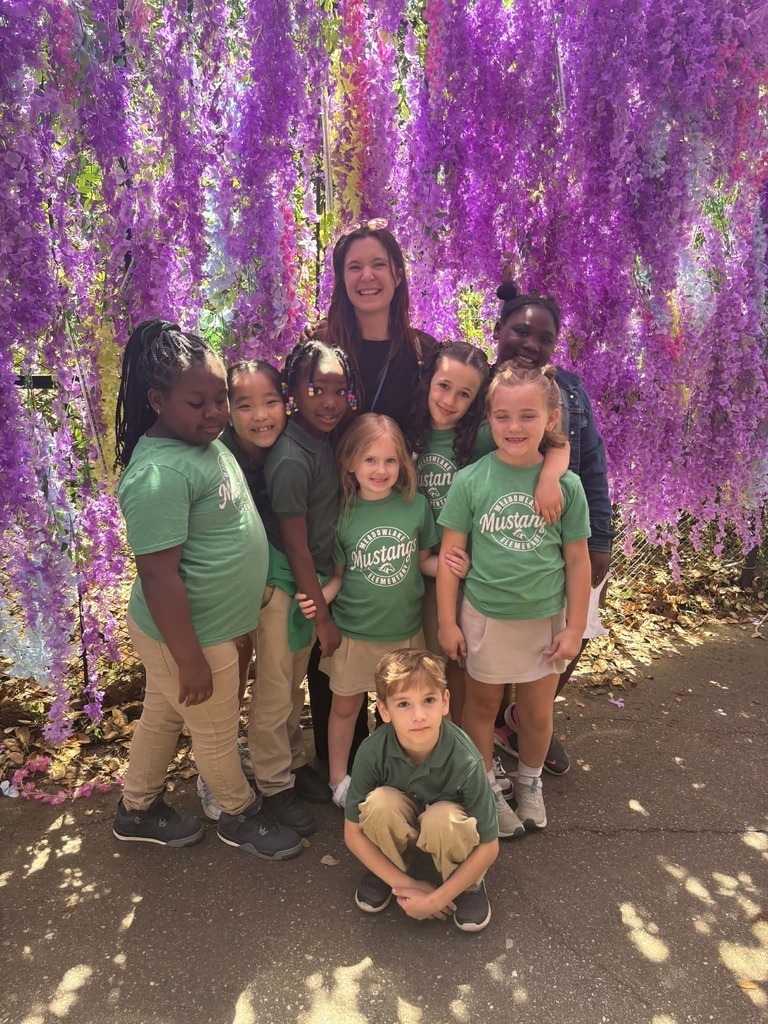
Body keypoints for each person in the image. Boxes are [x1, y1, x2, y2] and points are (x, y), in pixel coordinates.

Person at [111, 320, 302, 861]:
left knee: (163, 714)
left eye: (221, 398)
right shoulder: (158, 477)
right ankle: (240, 816)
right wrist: (188, 656)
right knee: (216, 734)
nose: (216, 412)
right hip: (191, 637)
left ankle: (137, 808)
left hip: (208, 631)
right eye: (199, 402)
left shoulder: (198, 445)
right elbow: (158, 575)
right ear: (157, 400)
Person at [437, 363, 591, 838]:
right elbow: (450, 555)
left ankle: (529, 783)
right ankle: (485, 787)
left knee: (537, 712)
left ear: (550, 420)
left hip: (545, 619)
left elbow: (578, 562)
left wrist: (574, 627)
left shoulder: (566, 486)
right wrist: (447, 623)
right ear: (488, 420)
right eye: (502, 416)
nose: (514, 427)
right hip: (484, 617)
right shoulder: (471, 481)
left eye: (527, 416)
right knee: (480, 707)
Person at [308, 220, 439, 763]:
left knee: (397, 647)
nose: (367, 276)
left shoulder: (422, 350)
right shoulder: (320, 346)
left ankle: (394, 756)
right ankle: (333, 764)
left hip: (397, 502)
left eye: (378, 264)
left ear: (398, 273)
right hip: (330, 501)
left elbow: (461, 411)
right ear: (340, 278)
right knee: (334, 651)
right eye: (353, 266)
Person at [409, 340, 569, 739]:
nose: (450, 400)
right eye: (444, 386)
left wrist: (549, 479)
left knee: (462, 667)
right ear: (428, 381)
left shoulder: (483, 436)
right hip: (422, 562)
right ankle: (427, 748)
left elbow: (557, 445)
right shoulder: (408, 431)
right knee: (425, 666)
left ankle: (469, 754)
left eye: (465, 394)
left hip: (468, 568)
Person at [490, 282, 613, 775]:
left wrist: (600, 537)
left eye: (544, 338)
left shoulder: (570, 391)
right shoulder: (480, 381)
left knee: (574, 630)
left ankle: (523, 719)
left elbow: (592, 464)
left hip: (567, 533)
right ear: (498, 330)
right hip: (503, 535)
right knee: (498, 634)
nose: (530, 344)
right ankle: (489, 724)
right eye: (520, 331)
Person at [298, 413, 440, 808]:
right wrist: (321, 595)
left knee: (404, 712)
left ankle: (408, 776)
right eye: (370, 460)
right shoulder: (341, 512)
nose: (381, 470)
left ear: (403, 464)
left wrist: (450, 566)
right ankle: (338, 780)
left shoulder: (415, 506)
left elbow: (424, 561)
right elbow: (340, 574)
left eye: (391, 460)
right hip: (355, 633)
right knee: (345, 708)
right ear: (349, 463)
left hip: (405, 634)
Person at [248, 338, 356, 836]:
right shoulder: (292, 457)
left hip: (303, 585)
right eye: (316, 388)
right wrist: (324, 618)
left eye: (340, 390)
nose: (330, 401)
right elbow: (295, 546)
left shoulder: (319, 440)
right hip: (286, 588)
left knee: (290, 686)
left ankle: (289, 767)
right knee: (275, 692)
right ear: (293, 390)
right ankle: (273, 785)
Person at [344, 649, 499, 933]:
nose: (418, 716)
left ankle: (466, 887)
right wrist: (408, 886)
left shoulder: (466, 759)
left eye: (428, 700)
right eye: (403, 704)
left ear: (444, 702)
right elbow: (352, 833)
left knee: (443, 818)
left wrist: (437, 899)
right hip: (401, 824)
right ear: (384, 710)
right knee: (379, 803)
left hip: (447, 834)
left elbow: (489, 846)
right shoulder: (371, 750)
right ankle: (390, 868)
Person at [195, 358, 286, 820]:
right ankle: (214, 771)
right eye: (244, 404)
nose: (260, 415)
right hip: (225, 594)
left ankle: (235, 751)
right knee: (227, 673)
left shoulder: (286, 450)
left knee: (256, 670)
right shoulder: (219, 453)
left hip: (268, 589)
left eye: (271, 401)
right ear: (229, 410)